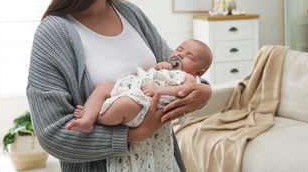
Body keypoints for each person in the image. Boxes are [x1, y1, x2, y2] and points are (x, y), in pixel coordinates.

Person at [25, 0, 212, 172]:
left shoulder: (131, 14)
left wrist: (203, 92)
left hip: (163, 162)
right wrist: (130, 135)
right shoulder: (55, 35)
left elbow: (178, 71)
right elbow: (51, 134)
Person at [66, 39, 212, 171]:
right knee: (103, 87)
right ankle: (88, 117)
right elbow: (148, 76)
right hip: (131, 90)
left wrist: (159, 90)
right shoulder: (167, 68)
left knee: (124, 105)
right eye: (179, 49)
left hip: (145, 106)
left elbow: (182, 91)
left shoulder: (189, 78)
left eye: (189, 56)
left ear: (199, 71)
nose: (180, 55)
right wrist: (157, 68)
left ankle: (97, 117)